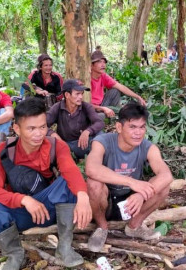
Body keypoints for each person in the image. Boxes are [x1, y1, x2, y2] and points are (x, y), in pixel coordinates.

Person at [0, 98, 91, 270]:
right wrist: (24, 200)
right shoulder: (3, 152)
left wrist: (83, 196)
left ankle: (64, 247)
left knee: (68, 183)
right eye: (31, 128)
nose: (39, 133)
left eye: (43, 127)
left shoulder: (55, 146)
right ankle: (15, 254)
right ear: (17, 129)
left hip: (50, 208)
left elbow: (70, 171)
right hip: (20, 214)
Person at [85, 103, 172, 252]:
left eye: (142, 127)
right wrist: (131, 182)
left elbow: (166, 175)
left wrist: (140, 194)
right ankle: (102, 228)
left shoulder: (148, 147)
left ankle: (134, 226)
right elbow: (91, 169)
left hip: (131, 204)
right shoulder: (103, 142)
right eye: (132, 127)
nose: (138, 133)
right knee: (93, 183)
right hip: (105, 201)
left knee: (164, 186)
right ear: (119, 127)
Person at [47, 79, 104, 160]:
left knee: (101, 135)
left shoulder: (86, 106)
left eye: (81, 94)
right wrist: (52, 134)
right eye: (77, 94)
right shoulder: (57, 107)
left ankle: (95, 158)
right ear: (67, 95)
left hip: (84, 143)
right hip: (66, 145)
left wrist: (87, 131)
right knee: (49, 141)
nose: (80, 97)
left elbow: (100, 122)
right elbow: (41, 125)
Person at [90, 50, 146, 119]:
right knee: (98, 116)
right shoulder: (87, 79)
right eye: (99, 62)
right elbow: (84, 104)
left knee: (115, 91)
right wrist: (103, 109)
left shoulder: (103, 76)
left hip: (101, 105)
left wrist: (137, 97)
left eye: (104, 62)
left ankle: (111, 114)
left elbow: (121, 87)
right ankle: (105, 115)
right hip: (90, 108)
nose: (103, 64)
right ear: (91, 65)